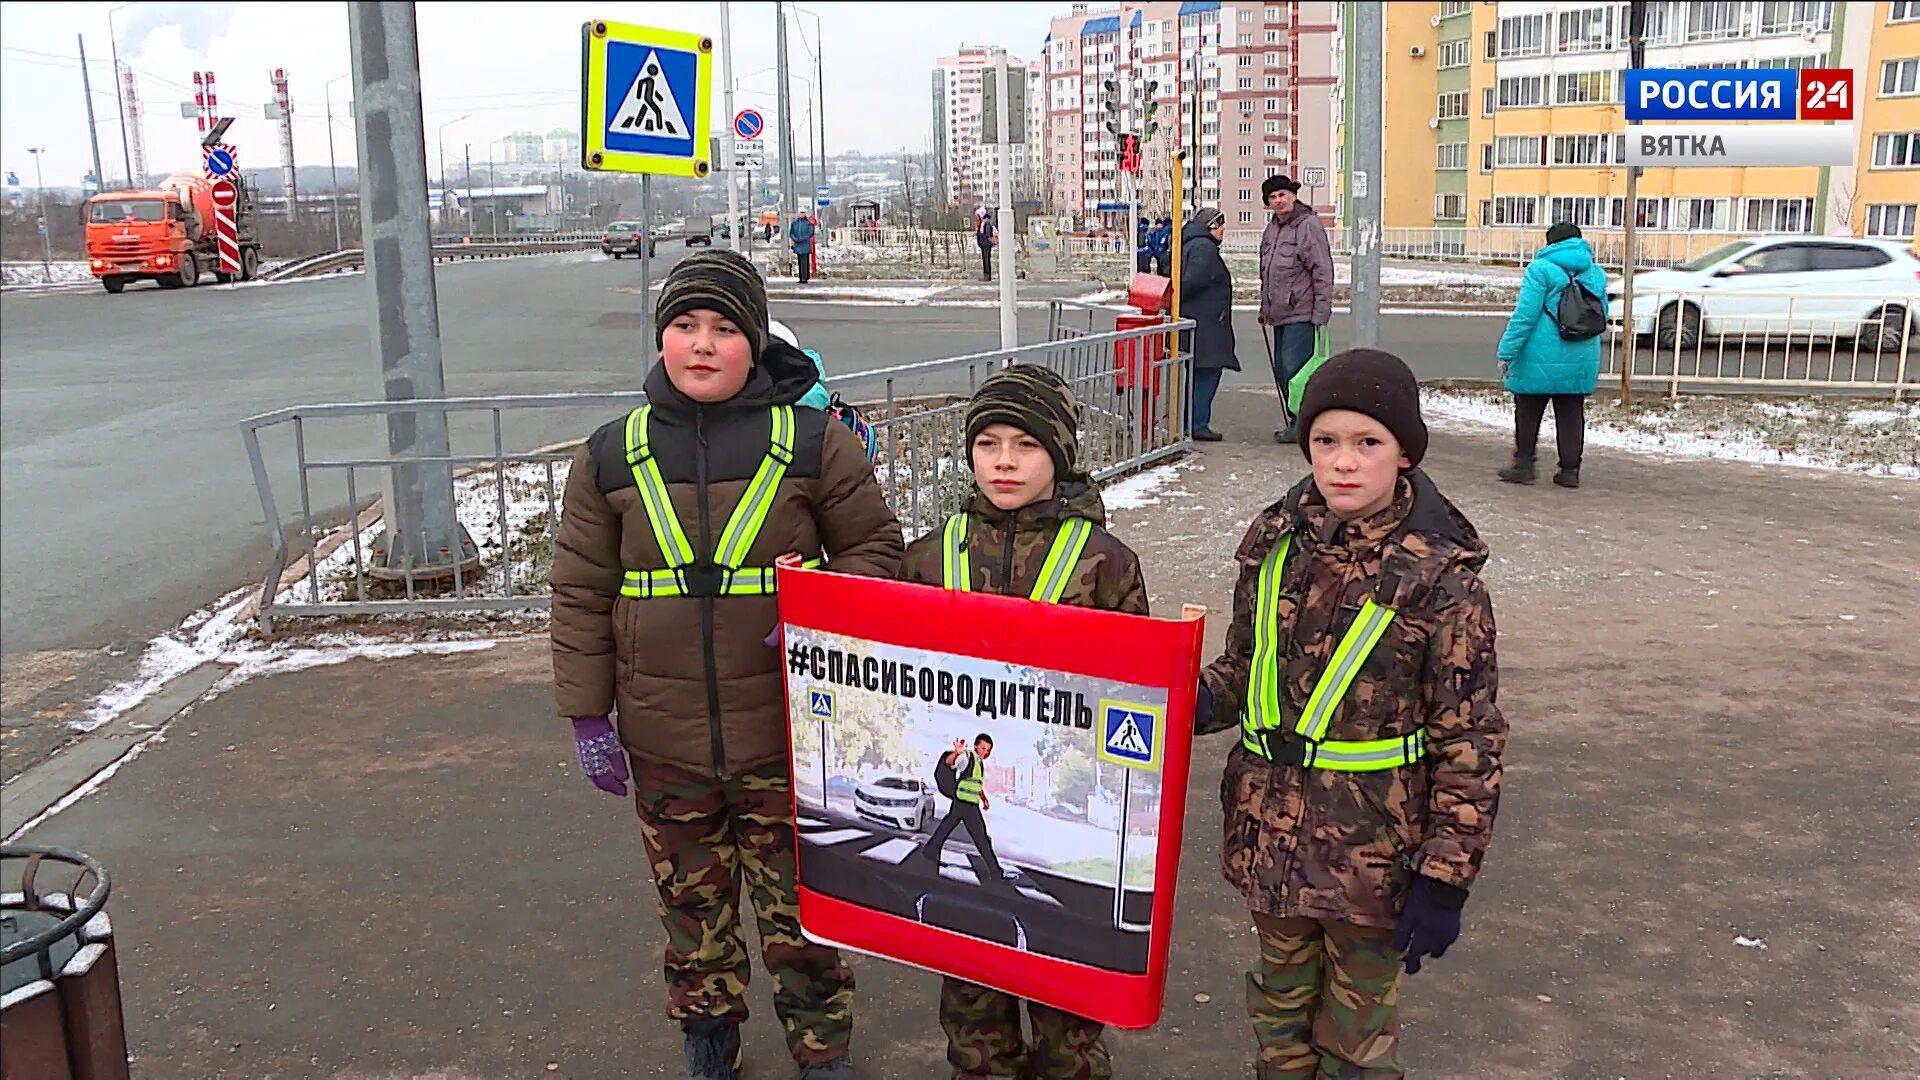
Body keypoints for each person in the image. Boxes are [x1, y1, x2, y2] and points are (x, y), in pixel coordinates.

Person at [550, 249, 905, 1080]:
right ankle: (707, 1034)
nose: (701, 345)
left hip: (792, 737)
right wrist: (587, 714)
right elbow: (578, 591)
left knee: (804, 915)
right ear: (662, 339)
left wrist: (824, 612)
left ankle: (823, 1051)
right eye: (683, 326)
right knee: (691, 905)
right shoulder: (612, 453)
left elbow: (879, 553)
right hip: (663, 740)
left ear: (755, 341)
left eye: (723, 328)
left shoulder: (813, 441)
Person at [1192, 348, 1506, 1079]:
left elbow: (1470, 738)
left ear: (1403, 455)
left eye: (1368, 443)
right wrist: (1181, 699)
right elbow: (1247, 666)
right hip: (1268, 837)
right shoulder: (1275, 543)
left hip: (1375, 859)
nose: (1343, 463)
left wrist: (1445, 876)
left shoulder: (1441, 579)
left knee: (1356, 1041)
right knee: (1277, 1014)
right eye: (1325, 441)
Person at [896, 363, 1148, 1080]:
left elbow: (1134, 694)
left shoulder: (1105, 565)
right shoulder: (929, 556)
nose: (1004, 462)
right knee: (973, 1010)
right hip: (971, 818)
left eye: (1026, 446)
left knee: (1069, 1017)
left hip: (1047, 818)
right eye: (989, 444)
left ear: (1060, 455)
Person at [1496, 221, 1605, 489]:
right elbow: (1600, 314)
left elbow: (1525, 315)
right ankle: (1569, 471)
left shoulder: (1540, 270)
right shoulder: (1595, 273)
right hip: (1581, 352)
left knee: (1528, 409)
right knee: (1570, 412)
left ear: (1550, 243)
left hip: (1538, 354)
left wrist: (1506, 351)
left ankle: (1524, 464)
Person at [1257, 175, 1334, 444]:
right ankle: (1298, 420)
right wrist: (1264, 307)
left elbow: (1322, 270)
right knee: (1282, 370)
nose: (1278, 201)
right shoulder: (1273, 229)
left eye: (1282, 195)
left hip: (1302, 312)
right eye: (1273, 197)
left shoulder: (1307, 226)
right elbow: (1267, 273)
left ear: (1293, 196)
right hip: (1278, 314)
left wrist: (1321, 313)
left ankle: (1303, 424)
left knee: (1296, 372)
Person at [1178, 207, 1238, 443]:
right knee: (1206, 374)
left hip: (1196, 322)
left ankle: (1191, 422)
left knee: (1196, 375)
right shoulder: (1204, 248)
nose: (1223, 230)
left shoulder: (1188, 244)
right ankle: (1197, 423)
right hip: (1206, 324)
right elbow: (1193, 281)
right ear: (1210, 226)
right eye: (1219, 225)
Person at [919, 733, 1010, 882]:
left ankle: (930, 850)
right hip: (964, 803)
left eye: (988, 750)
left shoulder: (979, 763)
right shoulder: (967, 757)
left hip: (967, 802)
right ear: (976, 747)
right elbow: (950, 763)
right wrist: (957, 752)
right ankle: (995, 871)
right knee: (981, 838)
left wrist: (983, 798)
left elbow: (974, 783)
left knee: (947, 827)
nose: (985, 752)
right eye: (983, 748)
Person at [790, 212, 817, 284]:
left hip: (805, 245)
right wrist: (795, 239)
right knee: (800, 261)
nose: (801, 214)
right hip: (798, 245)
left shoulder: (808, 223)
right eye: (800, 213)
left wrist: (802, 239)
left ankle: (805, 277)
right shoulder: (795, 223)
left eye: (803, 213)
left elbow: (811, 232)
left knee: (805, 261)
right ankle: (801, 277)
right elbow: (791, 233)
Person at [976, 210, 997, 282]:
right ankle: (986, 274)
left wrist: (986, 240)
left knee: (986, 259)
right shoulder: (982, 223)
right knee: (985, 260)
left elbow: (987, 234)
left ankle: (987, 275)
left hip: (986, 244)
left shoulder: (986, 223)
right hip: (983, 244)